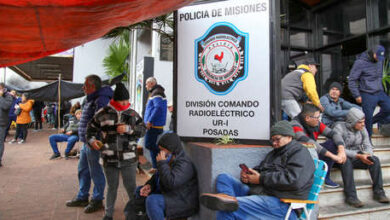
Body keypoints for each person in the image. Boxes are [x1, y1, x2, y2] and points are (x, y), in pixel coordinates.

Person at [200, 121, 315, 220]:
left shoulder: (300, 153)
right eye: (272, 140)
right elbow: (260, 169)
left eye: (277, 139)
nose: (274, 143)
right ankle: (228, 202)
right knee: (223, 178)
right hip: (260, 193)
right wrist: (248, 176)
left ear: (289, 136)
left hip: (282, 204)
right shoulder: (273, 153)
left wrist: (260, 179)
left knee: (228, 208)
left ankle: (229, 204)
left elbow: (294, 180)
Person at [86, 83, 146, 220]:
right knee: (112, 187)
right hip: (109, 158)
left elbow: (143, 131)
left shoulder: (132, 114)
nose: (125, 103)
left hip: (129, 158)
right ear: (115, 100)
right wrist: (92, 141)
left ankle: (135, 214)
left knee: (131, 187)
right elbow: (90, 130)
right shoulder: (103, 113)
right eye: (122, 100)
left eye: (127, 100)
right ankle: (108, 215)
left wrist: (129, 129)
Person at [65, 75, 113, 213]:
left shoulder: (101, 99)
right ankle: (82, 196)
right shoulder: (90, 99)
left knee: (96, 171)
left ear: (93, 86)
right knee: (83, 170)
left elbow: (102, 122)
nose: (83, 88)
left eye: (85, 85)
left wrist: (94, 140)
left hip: (93, 143)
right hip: (87, 142)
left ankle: (97, 199)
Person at [332, 108, 389, 207]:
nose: (363, 124)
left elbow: (368, 144)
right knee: (346, 162)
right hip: (340, 157)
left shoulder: (362, 129)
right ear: (352, 121)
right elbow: (339, 149)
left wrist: (367, 155)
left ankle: (379, 193)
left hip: (357, 155)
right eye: (360, 122)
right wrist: (358, 155)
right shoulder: (339, 128)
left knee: (375, 160)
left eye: (363, 122)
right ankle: (351, 197)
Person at [134, 132, 198, 220]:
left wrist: (162, 163)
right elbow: (157, 176)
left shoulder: (184, 163)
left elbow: (171, 183)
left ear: (171, 149)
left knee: (153, 200)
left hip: (183, 201)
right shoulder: (169, 159)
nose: (161, 152)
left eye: (163, 149)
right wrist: (149, 185)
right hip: (171, 194)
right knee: (139, 191)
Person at [290, 104, 347, 188]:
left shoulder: (317, 124)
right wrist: (333, 156)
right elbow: (310, 143)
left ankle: (325, 177)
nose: (318, 120)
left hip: (314, 153)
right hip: (299, 156)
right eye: (317, 117)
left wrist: (341, 150)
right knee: (310, 147)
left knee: (333, 143)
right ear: (307, 118)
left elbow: (334, 134)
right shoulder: (295, 125)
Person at [348, 45, 390, 136]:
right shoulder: (360, 63)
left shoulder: (380, 60)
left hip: (379, 91)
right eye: (377, 56)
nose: (379, 59)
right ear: (373, 53)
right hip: (367, 93)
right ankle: (368, 141)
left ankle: (370, 122)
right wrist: (356, 95)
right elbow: (352, 80)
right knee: (368, 117)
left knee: (388, 108)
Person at [144, 77, 167, 171]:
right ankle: (155, 166)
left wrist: (150, 121)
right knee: (151, 145)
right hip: (154, 124)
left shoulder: (157, 92)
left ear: (152, 83)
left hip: (154, 125)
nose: (146, 86)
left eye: (146, 84)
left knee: (149, 144)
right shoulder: (156, 92)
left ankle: (163, 155)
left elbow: (157, 108)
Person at [0, 83, 13, 167]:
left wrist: (0, 97)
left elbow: (5, 106)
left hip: (1, 123)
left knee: (0, 142)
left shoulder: (8, 96)